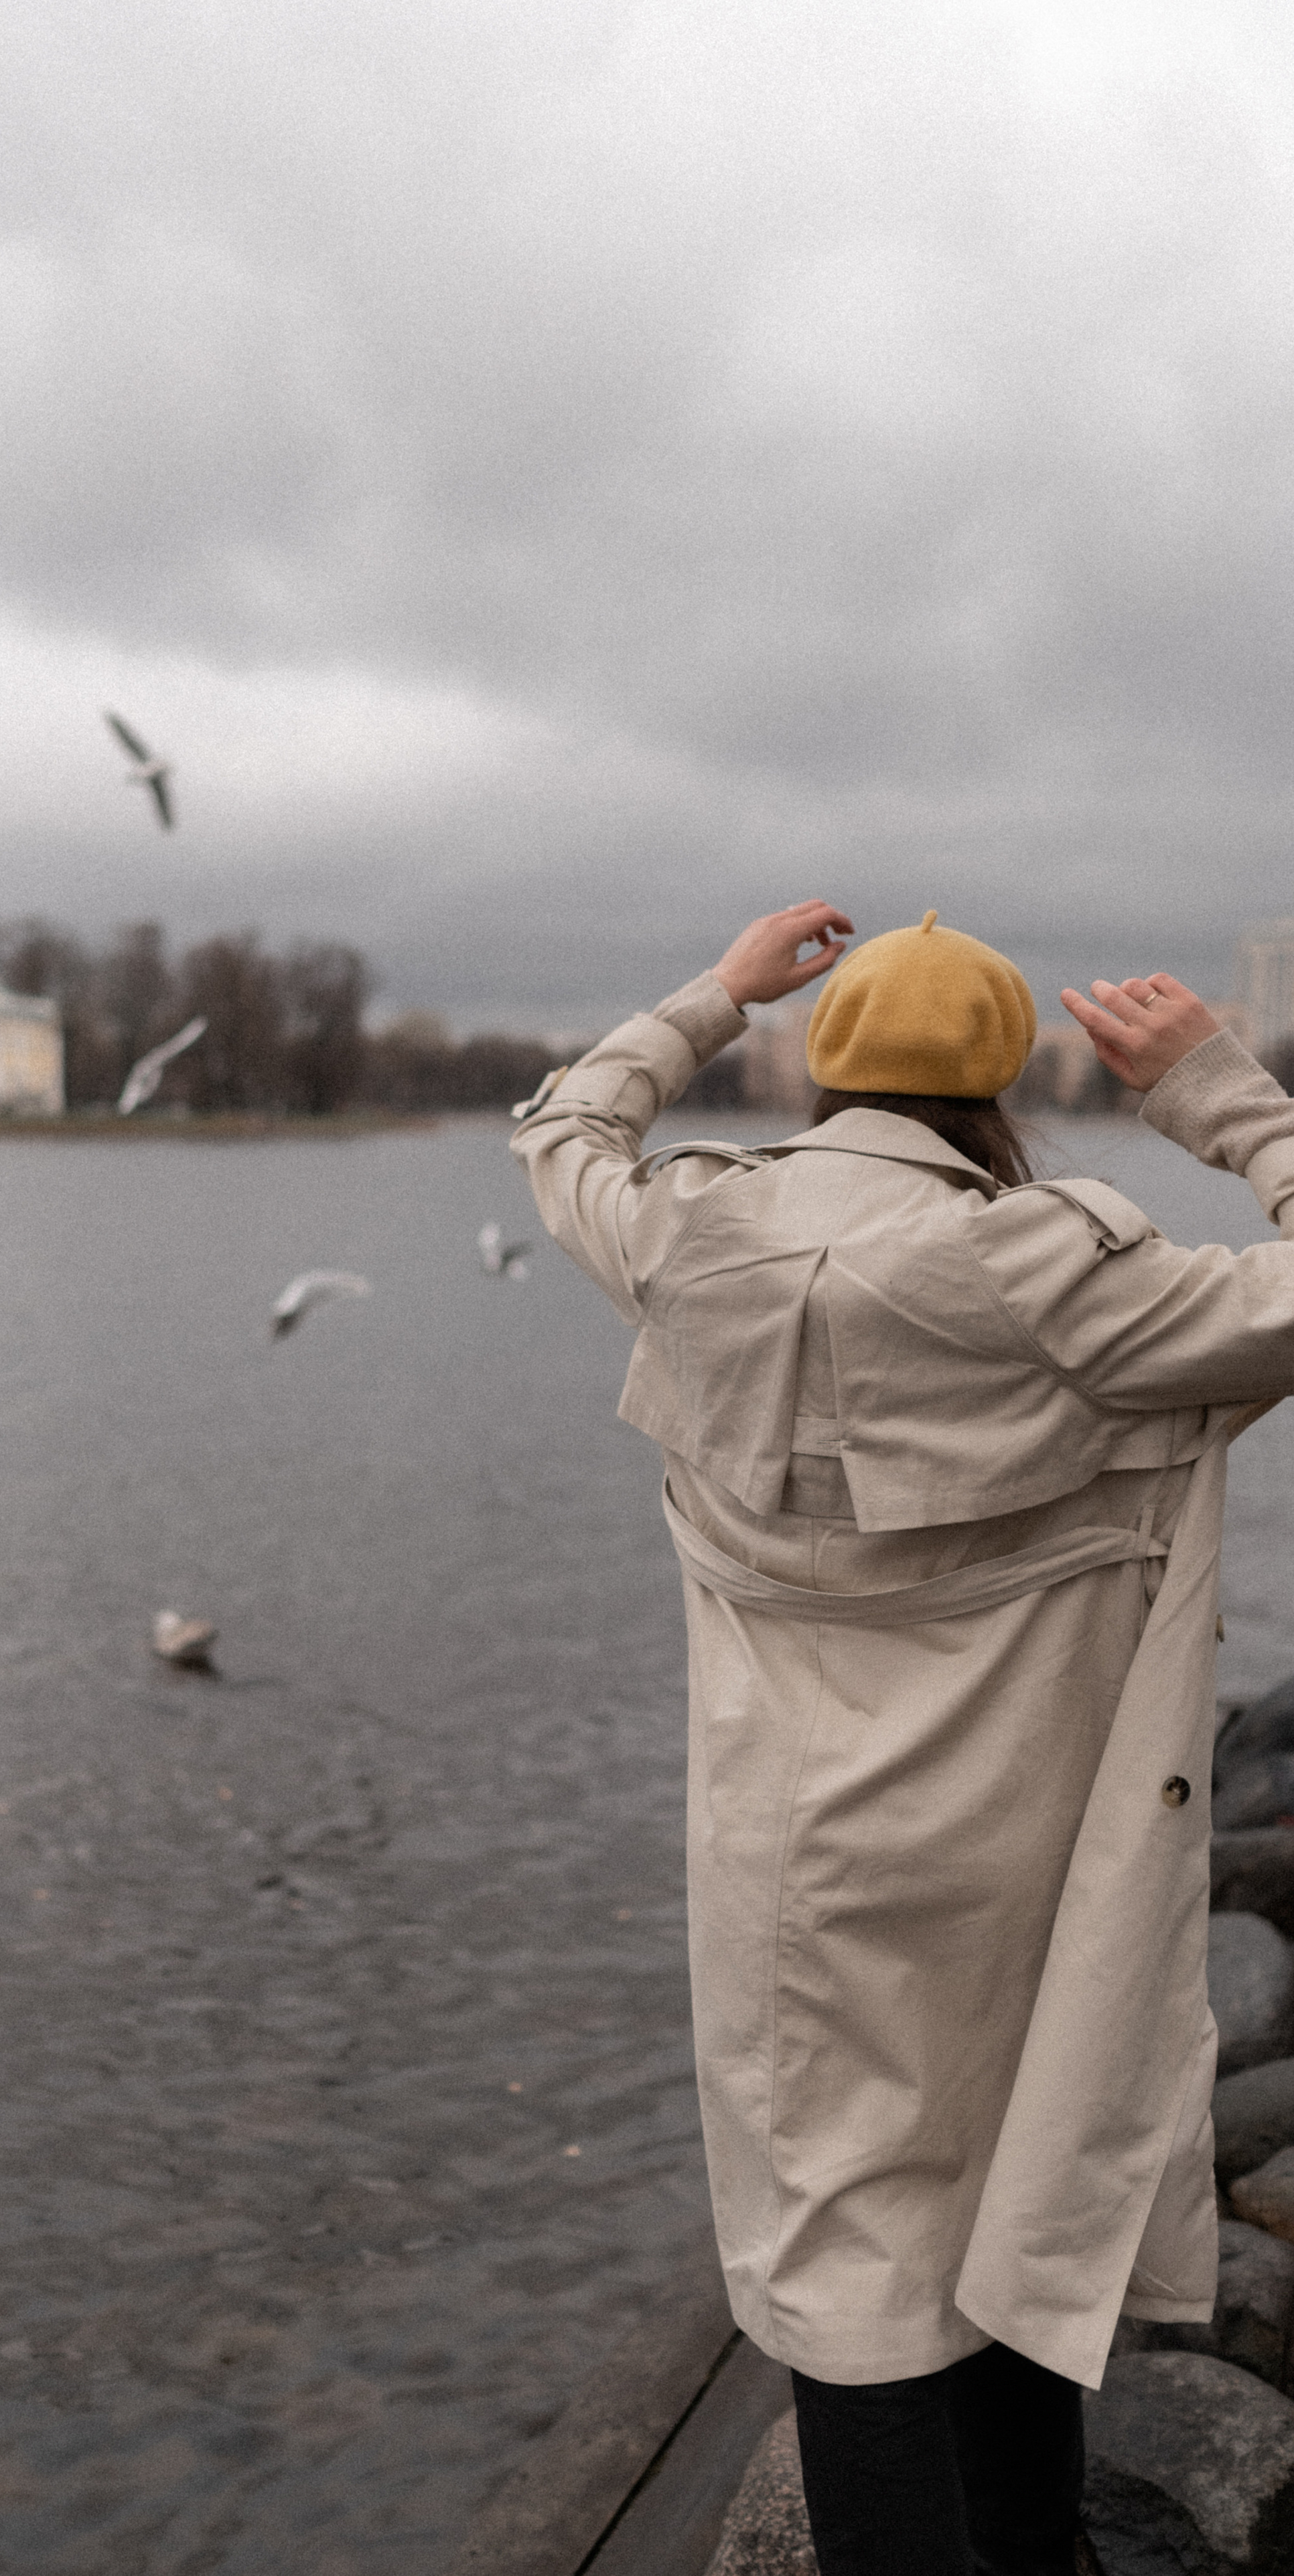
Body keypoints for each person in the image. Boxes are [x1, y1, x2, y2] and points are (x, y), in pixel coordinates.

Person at [511, 901, 1294, 2576]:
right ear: (1000, 1080)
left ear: (827, 1066)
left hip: (786, 1856)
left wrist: (718, 991)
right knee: (1021, 2187)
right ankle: (1036, 2552)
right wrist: (1219, 1095)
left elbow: (565, 1127)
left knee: (848, 2261)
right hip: (1034, 1846)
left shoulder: (682, 1239)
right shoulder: (1056, 1271)